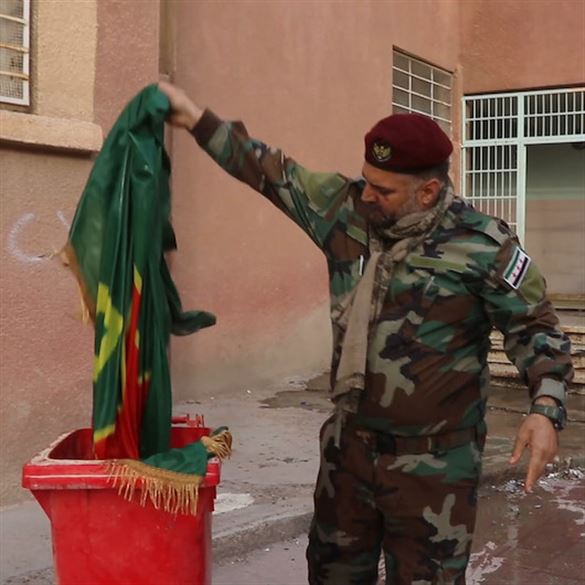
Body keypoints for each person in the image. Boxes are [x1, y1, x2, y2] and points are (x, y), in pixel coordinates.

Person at [159, 81, 573, 585]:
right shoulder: (347, 210)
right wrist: (192, 116)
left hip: (434, 466)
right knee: (332, 575)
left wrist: (545, 408)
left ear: (428, 191)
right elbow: (268, 171)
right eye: (366, 180)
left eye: (383, 189)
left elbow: (534, 328)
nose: (367, 193)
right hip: (349, 453)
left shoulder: (484, 245)